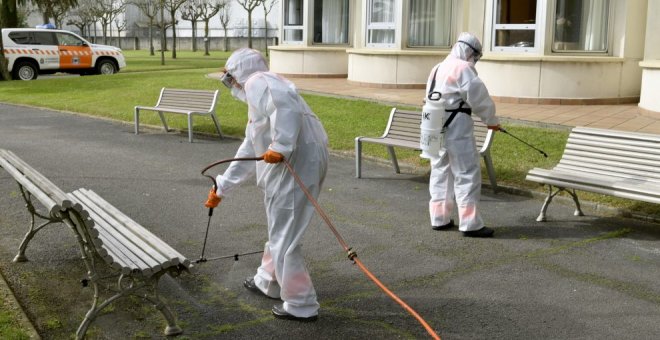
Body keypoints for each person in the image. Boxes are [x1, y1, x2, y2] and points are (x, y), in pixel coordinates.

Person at [205, 48, 329, 321]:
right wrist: (222, 186)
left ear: (240, 72)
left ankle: (301, 304)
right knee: (280, 226)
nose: (231, 84)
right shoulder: (257, 95)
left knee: (285, 233)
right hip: (296, 159)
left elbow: (282, 103)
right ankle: (268, 281)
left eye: (231, 76)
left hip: (295, 162)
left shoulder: (259, 81)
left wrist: (282, 146)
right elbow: (249, 148)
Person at [425, 32, 500, 238]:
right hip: (456, 127)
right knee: (466, 173)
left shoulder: (437, 67)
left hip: (433, 125)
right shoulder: (464, 68)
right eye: (475, 55)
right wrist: (492, 121)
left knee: (440, 171)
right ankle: (470, 223)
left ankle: (439, 218)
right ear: (469, 51)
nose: (474, 60)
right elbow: (479, 98)